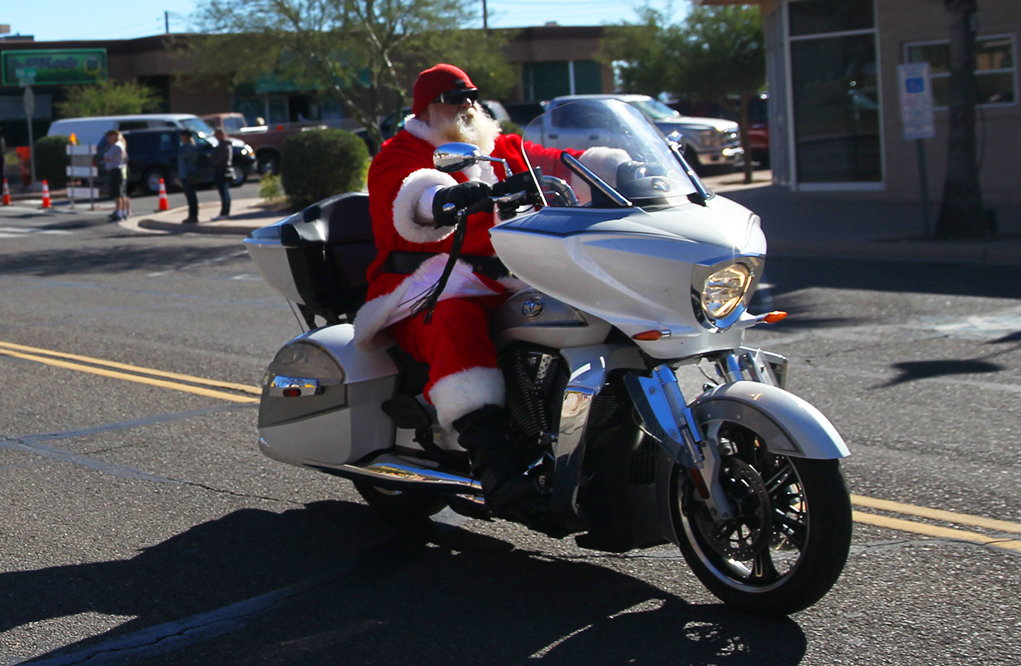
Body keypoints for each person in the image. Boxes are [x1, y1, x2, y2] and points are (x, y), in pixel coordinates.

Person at [353, 63, 628, 515]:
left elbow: (554, 162)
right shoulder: (400, 153)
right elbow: (404, 195)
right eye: (454, 97)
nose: (466, 105)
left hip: (509, 272)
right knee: (454, 318)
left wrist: (615, 167)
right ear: (426, 108)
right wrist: (439, 199)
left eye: (471, 96)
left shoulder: (499, 146)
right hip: (426, 285)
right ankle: (496, 467)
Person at [103, 130, 129, 221]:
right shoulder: (121, 144)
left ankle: (119, 213)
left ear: (114, 136)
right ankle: (123, 212)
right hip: (119, 170)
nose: (108, 139)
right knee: (122, 193)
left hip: (115, 171)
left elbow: (107, 157)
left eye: (109, 137)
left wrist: (105, 154)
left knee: (117, 194)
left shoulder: (116, 146)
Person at [209, 129, 233, 220]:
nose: (215, 136)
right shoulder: (224, 145)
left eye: (217, 134)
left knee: (224, 192)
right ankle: (224, 211)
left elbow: (219, 159)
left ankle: (225, 212)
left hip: (222, 171)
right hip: (221, 170)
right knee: (224, 192)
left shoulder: (224, 146)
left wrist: (211, 159)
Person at [177, 130, 199, 224]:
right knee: (188, 196)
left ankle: (193, 216)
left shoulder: (190, 147)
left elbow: (182, 156)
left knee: (191, 196)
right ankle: (191, 215)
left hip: (189, 175)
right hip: (184, 175)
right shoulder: (184, 147)